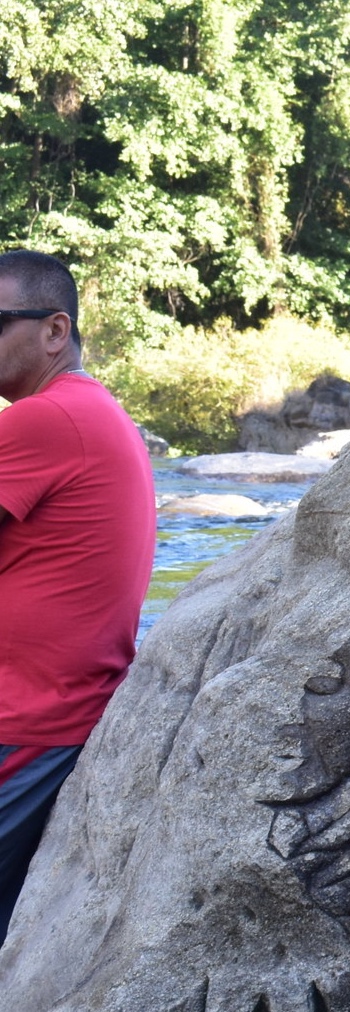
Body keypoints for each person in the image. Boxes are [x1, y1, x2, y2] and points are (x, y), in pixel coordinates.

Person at [0, 251, 156, 935]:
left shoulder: (44, 421)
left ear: (55, 331)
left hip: (25, 727)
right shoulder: (90, 412)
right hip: (56, 719)